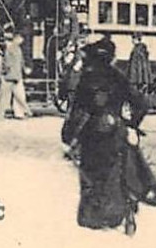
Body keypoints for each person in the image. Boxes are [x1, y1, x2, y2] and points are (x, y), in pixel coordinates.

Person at [60, 36, 140, 233]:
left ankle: (93, 217)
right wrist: (131, 124)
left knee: (90, 174)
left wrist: (68, 135)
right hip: (115, 131)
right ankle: (120, 215)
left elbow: (77, 112)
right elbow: (141, 103)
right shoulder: (119, 76)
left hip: (92, 134)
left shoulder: (87, 79)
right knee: (116, 173)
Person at [0, 30, 29, 120]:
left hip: (16, 75)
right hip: (10, 76)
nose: (22, 41)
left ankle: (20, 113)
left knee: (18, 95)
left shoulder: (17, 48)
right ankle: (1, 113)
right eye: (20, 39)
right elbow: (7, 62)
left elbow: (21, 61)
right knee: (5, 95)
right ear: (16, 38)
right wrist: (5, 72)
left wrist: (24, 69)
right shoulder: (10, 49)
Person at [125, 34, 153, 127]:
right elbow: (145, 68)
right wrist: (146, 80)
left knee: (135, 101)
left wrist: (131, 79)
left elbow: (134, 67)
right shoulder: (142, 51)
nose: (132, 40)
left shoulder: (136, 51)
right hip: (141, 80)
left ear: (136, 39)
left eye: (133, 38)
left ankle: (134, 123)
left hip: (136, 80)